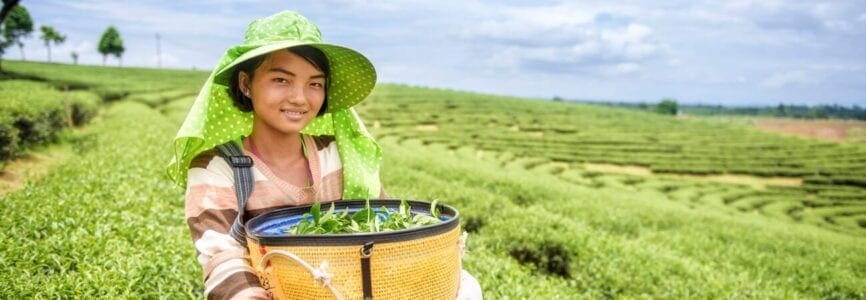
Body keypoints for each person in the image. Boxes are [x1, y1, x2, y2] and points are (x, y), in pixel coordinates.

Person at [167, 11, 481, 299]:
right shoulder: (218, 168)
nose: (300, 98)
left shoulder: (337, 153)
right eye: (281, 80)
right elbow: (223, 260)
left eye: (314, 83)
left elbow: (382, 228)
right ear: (246, 83)